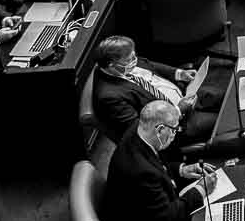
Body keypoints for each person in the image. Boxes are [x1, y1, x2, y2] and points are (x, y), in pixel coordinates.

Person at [99, 99, 219, 221]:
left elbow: (158, 164)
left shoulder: (139, 131)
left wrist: (182, 170)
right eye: (174, 130)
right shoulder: (139, 172)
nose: (175, 134)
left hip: (146, 211)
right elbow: (168, 218)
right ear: (160, 129)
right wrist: (201, 189)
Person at [91, 35, 225, 151]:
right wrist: (178, 111)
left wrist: (179, 74)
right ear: (111, 65)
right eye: (129, 60)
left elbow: (150, 65)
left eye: (134, 56)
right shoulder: (109, 97)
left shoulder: (123, 62)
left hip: (186, 92)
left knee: (229, 97)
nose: (135, 61)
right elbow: (141, 131)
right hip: (176, 124)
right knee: (225, 120)